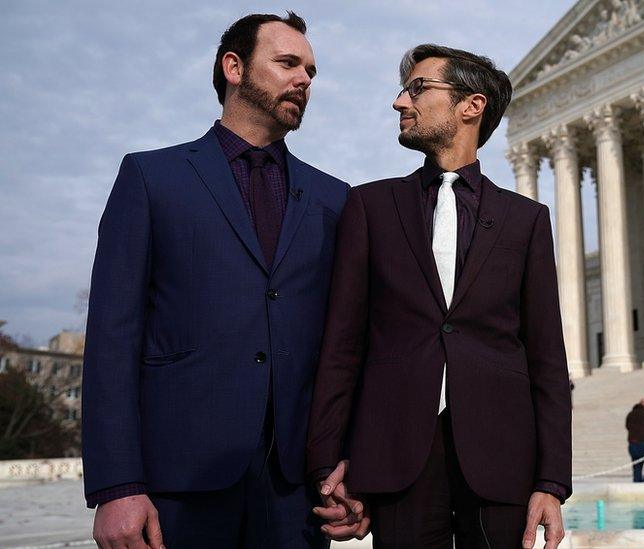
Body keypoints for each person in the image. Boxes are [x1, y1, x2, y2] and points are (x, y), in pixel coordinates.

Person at [81, 12, 348, 548]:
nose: (305, 80)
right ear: (233, 67)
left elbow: (346, 345)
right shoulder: (151, 178)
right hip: (176, 487)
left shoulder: (335, 199)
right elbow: (113, 338)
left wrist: (348, 464)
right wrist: (117, 486)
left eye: (311, 71)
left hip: (296, 494)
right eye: (288, 63)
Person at [306, 44, 572, 549]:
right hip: (397, 457)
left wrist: (551, 482)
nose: (400, 103)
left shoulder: (527, 220)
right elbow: (342, 345)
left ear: (471, 106)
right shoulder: (369, 206)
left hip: (502, 463)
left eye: (417, 89)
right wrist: (329, 460)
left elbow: (546, 359)